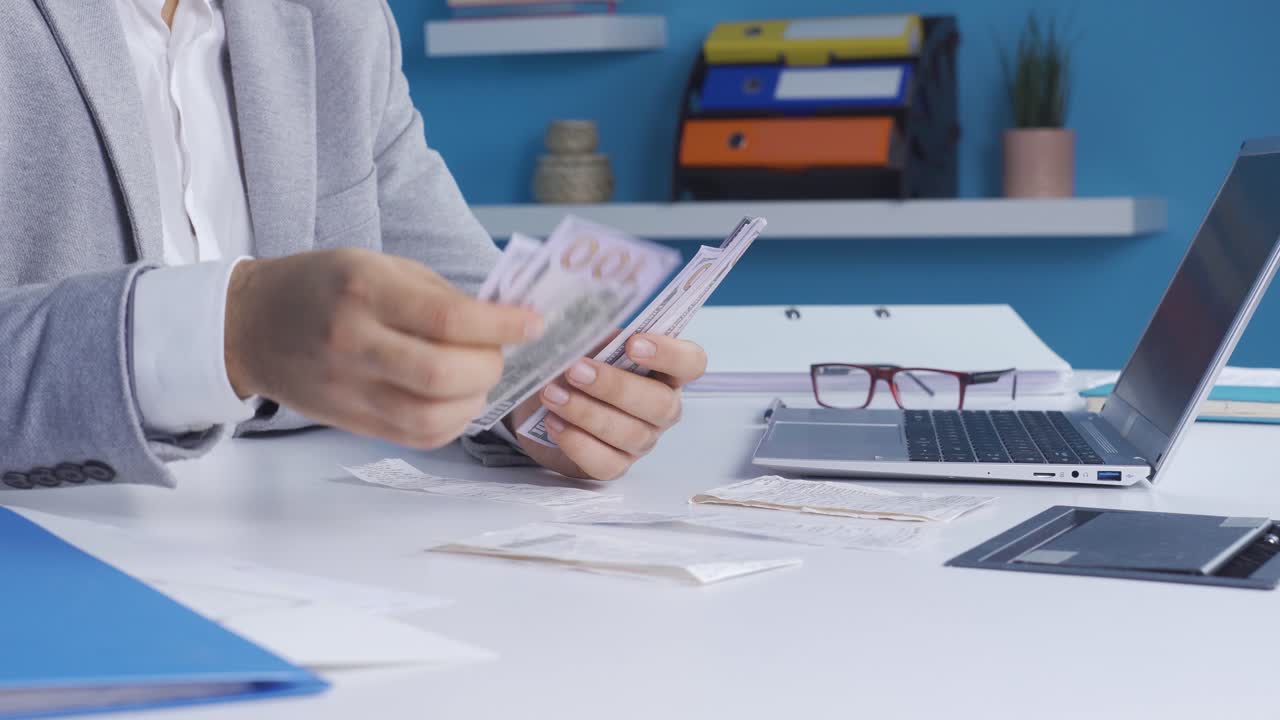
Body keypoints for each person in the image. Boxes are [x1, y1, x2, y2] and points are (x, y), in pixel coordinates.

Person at [0, 0, 707, 490]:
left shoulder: (341, 19)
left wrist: (542, 398)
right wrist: (233, 329)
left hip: (313, 561)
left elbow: (458, 290)